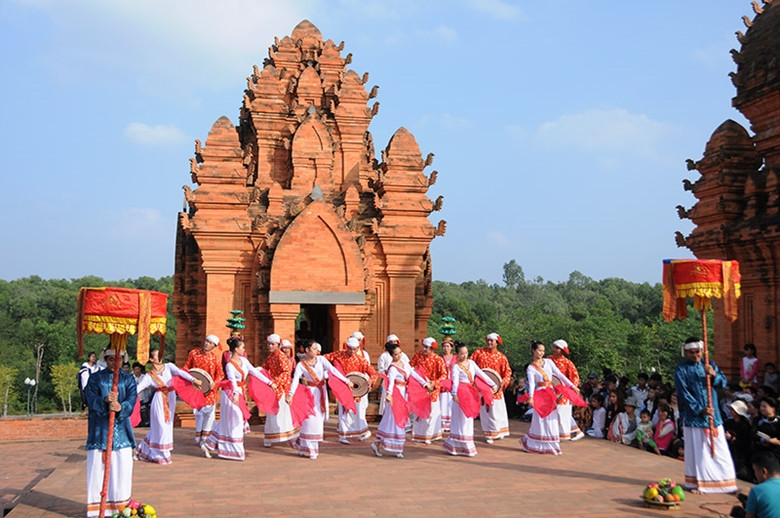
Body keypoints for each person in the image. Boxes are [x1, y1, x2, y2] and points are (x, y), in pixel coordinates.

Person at [674, 336, 738, 493]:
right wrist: (700, 409)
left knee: (720, 449)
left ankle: (726, 482)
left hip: (713, 416)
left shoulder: (710, 364)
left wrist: (713, 374)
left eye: (698, 352)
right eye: (691, 352)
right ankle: (700, 483)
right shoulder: (681, 369)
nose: (695, 355)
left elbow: (723, 383)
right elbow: (683, 394)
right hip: (694, 417)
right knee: (700, 452)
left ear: (703, 351)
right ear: (686, 352)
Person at [201, 335, 275, 461]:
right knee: (235, 419)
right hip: (231, 393)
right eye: (242, 348)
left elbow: (255, 372)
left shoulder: (244, 361)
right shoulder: (230, 365)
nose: (244, 350)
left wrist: (269, 383)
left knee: (229, 420)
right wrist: (235, 394)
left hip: (240, 392)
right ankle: (232, 449)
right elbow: (232, 381)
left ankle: (209, 444)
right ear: (236, 349)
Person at [84, 347, 137, 517]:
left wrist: (121, 407)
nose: (116, 362)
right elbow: (89, 398)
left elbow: (132, 398)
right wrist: (104, 401)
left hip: (121, 432)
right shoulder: (95, 378)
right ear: (106, 359)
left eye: (119, 359)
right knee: (97, 471)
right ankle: (97, 511)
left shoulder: (128, 379)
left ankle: (120, 509)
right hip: (100, 432)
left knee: (122, 471)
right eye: (112, 359)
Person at [288, 340, 353, 460]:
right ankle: (312, 449)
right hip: (309, 393)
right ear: (307, 350)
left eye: (317, 349)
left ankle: (302, 445)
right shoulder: (301, 365)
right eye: (313, 349)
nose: (316, 351)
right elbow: (296, 380)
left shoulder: (322, 360)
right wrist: (291, 394)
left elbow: (333, 371)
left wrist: (346, 380)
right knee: (309, 419)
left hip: (321, 392)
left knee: (318, 418)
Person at [135, 348, 202, 464]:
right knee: (160, 425)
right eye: (157, 355)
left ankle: (143, 450)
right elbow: (138, 388)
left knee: (166, 425)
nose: (160, 357)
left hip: (170, 399)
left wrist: (193, 379)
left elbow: (181, 372)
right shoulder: (149, 376)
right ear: (151, 359)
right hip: (159, 400)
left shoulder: (169, 367)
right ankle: (159, 454)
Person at [520, 340, 579, 455]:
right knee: (540, 420)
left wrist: (572, 386)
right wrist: (531, 397)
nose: (541, 353)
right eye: (539, 350)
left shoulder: (549, 362)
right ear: (533, 351)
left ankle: (552, 445)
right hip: (540, 395)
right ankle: (535, 444)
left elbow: (560, 375)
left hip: (550, 393)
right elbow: (532, 383)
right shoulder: (531, 368)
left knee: (552, 419)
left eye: (543, 351)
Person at [372, 343, 430, 458]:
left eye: (400, 353)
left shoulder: (405, 364)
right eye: (396, 354)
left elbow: (413, 374)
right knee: (392, 420)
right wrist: (389, 395)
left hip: (404, 394)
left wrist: (424, 383)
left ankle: (397, 447)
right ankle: (378, 444)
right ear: (391, 355)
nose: (398, 356)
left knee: (400, 420)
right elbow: (391, 382)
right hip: (395, 395)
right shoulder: (393, 368)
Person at [442, 341, 497, 457]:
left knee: (469, 418)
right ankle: (456, 446)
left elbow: (481, 374)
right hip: (461, 393)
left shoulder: (472, 363)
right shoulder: (456, 366)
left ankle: (467, 445)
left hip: (471, 392)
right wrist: (454, 393)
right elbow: (455, 381)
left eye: (466, 353)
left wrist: (492, 384)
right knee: (460, 418)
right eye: (461, 353)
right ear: (457, 354)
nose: (464, 356)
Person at [324, 336, 378, 444]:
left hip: (356, 390)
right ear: (346, 346)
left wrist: (370, 381)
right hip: (343, 388)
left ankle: (362, 431)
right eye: (350, 348)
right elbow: (324, 358)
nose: (352, 351)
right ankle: (343, 435)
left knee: (356, 412)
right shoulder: (338, 355)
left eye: (355, 349)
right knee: (343, 411)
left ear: (358, 348)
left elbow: (373, 373)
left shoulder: (361, 360)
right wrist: (330, 371)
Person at [183, 334, 225, 445]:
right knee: (198, 413)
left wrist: (214, 383)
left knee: (209, 414)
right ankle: (199, 434)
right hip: (196, 388)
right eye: (207, 341)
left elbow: (220, 374)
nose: (207, 344)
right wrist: (188, 378)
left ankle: (206, 438)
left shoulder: (214, 359)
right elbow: (186, 367)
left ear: (214, 346)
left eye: (210, 343)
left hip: (209, 391)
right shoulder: (194, 353)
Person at [471, 332, 512, 444]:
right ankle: (489, 433)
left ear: (497, 343)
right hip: (482, 387)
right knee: (487, 411)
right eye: (488, 340)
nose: (489, 342)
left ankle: (498, 431)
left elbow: (507, 372)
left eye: (492, 341)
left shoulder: (501, 357)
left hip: (496, 388)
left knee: (498, 410)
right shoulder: (479, 352)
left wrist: (503, 382)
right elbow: (470, 364)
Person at [261, 334, 299, 447]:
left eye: (272, 344)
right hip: (272, 388)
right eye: (268, 344)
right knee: (271, 413)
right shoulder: (271, 356)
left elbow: (285, 372)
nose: (270, 346)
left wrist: (274, 382)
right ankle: (269, 437)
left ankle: (290, 438)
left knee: (283, 414)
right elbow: (265, 367)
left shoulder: (281, 356)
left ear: (278, 345)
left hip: (280, 389)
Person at [410, 337, 447, 444]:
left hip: (433, 389)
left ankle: (430, 435)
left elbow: (444, 375)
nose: (425, 349)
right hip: (420, 388)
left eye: (427, 347)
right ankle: (419, 435)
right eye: (424, 347)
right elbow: (410, 367)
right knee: (419, 413)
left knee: (432, 413)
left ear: (432, 348)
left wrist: (434, 383)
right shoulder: (418, 356)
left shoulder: (438, 359)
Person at [549, 339, 585, 441]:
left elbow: (575, 378)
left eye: (557, 348)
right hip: (550, 390)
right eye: (554, 347)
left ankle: (574, 431)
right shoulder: (548, 359)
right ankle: (575, 431)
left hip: (562, 392)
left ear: (562, 350)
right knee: (553, 412)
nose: (554, 349)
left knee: (562, 412)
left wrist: (571, 391)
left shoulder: (568, 363)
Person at [731, 451, 780, 518]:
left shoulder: (757, 490)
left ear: (764, 471)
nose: (755, 475)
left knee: (737, 511)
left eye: (755, 471)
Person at [376, 333, 408, 416]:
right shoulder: (383, 356)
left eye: (395, 341)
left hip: (401, 382)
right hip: (388, 380)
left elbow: (408, 368)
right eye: (391, 341)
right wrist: (386, 373)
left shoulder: (403, 355)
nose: (394, 343)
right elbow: (380, 369)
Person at [726, 399, 754, 481]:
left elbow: (746, 441)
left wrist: (732, 438)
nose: (731, 411)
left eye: (733, 409)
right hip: (729, 449)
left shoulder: (745, 425)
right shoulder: (728, 422)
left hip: (740, 453)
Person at [752, 396, 780, 464]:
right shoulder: (757, 420)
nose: (761, 408)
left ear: (773, 408)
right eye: (761, 406)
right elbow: (753, 433)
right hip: (760, 452)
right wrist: (767, 440)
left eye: (764, 406)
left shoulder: (778, 422)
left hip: (775, 454)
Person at [439, 338, 456, 432]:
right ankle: (442, 423)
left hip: (453, 384)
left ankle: (451, 424)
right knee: (442, 403)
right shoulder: (439, 358)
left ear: (451, 348)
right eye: (444, 346)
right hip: (442, 384)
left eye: (448, 346)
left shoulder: (456, 358)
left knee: (451, 403)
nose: (446, 348)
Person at [132, 362, 151, 427]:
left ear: (140, 369)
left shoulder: (145, 377)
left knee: (144, 413)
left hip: (143, 399)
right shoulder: (131, 378)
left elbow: (148, 388)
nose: (137, 371)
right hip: (134, 399)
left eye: (138, 369)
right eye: (135, 369)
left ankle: (146, 425)